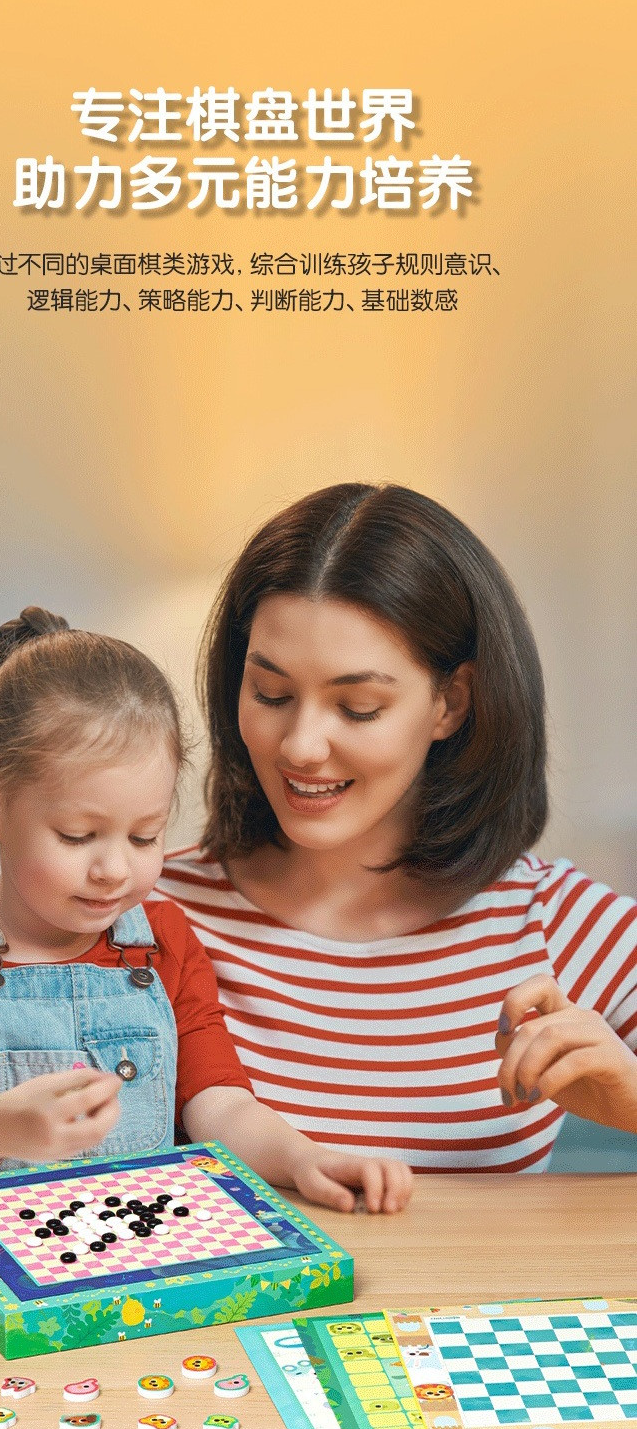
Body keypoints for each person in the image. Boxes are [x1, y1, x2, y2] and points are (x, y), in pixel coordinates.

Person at [0, 607, 411, 1212]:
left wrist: (303, 1158)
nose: (114, 869)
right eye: (76, 835)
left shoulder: (163, 942)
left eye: (145, 836)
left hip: (145, 1259)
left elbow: (220, 1105)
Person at [153, 483, 637, 1173]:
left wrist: (630, 1099)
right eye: (272, 694)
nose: (300, 745)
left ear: (450, 703)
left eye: (357, 706)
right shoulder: (142, 910)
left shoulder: (556, 922)